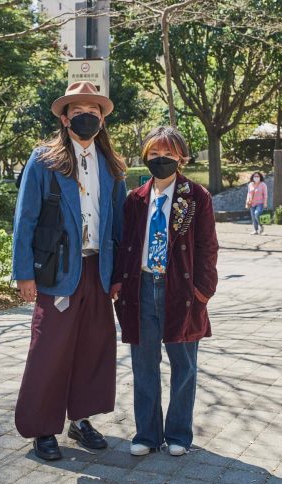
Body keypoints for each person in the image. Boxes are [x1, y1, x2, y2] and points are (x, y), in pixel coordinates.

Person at [12, 81, 127, 461]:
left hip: (99, 269)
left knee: (94, 348)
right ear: (65, 119)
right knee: (49, 349)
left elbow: (120, 224)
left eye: (94, 112)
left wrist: (119, 274)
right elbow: (25, 218)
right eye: (78, 112)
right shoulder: (44, 160)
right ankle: (42, 428)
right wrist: (24, 273)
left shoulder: (111, 165)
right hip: (57, 270)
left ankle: (81, 419)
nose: (87, 117)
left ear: (102, 120)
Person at [112, 126, 218, 457]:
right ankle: (147, 434)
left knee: (183, 367)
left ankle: (178, 435)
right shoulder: (135, 199)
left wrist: (202, 291)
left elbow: (208, 247)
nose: (161, 159)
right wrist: (119, 282)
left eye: (169, 154)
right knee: (144, 365)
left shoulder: (196, 196)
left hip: (181, 292)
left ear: (181, 158)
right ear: (146, 157)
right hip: (142, 288)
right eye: (155, 153)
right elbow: (125, 244)